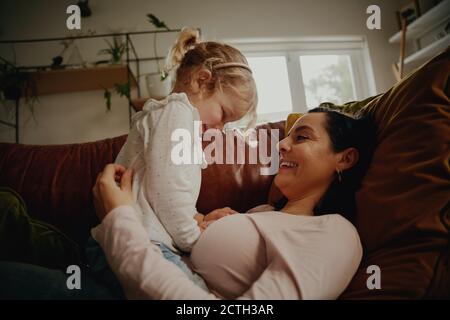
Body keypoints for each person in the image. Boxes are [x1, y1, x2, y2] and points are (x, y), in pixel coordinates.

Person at [90, 107, 377, 299]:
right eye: (287, 136)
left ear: (345, 158)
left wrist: (120, 220)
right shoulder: (262, 212)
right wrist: (204, 222)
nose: (280, 145)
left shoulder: (333, 233)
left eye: (301, 137)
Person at [85, 27, 258, 294]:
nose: (221, 128)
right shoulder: (177, 113)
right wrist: (195, 240)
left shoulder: (181, 123)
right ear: (202, 81)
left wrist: (198, 217)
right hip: (139, 241)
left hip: (144, 240)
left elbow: (165, 191)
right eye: (223, 113)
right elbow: (167, 195)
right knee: (198, 292)